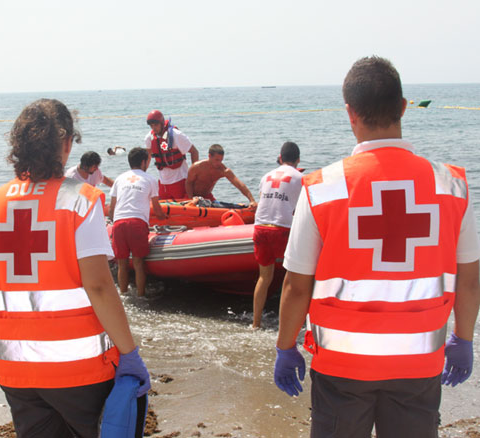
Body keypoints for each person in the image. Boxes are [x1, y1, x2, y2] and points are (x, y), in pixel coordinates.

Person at [274, 56, 480, 438]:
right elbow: (469, 279)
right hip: (418, 365)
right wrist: (463, 338)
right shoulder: (451, 186)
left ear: (350, 113)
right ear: (403, 107)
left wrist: (286, 347)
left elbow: (296, 286)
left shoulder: (322, 188)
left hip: (341, 368)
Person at [0, 99, 151, 438]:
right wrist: (129, 352)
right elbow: (99, 287)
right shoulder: (80, 200)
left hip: (15, 371)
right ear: (66, 144)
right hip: (79, 373)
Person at [251, 141, 302, 329]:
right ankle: (289, 323)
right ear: (298, 160)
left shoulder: (266, 176)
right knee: (294, 276)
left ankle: (255, 324)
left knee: (264, 277)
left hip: (260, 228)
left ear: (280, 158)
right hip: (282, 230)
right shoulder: (300, 177)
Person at [109, 147, 167, 297]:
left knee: (122, 263)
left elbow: (112, 207)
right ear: (143, 162)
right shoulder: (150, 179)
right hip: (136, 223)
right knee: (138, 263)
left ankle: (123, 294)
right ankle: (141, 296)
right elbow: (157, 207)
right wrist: (164, 217)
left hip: (119, 222)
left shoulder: (120, 178)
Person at [144, 109, 199, 199]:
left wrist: (194, 176)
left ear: (162, 123)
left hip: (180, 180)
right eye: (151, 126)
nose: (154, 128)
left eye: (156, 125)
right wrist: (142, 174)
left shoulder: (176, 135)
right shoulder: (149, 138)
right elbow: (147, 157)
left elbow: (194, 152)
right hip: (163, 183)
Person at [185, 143, 257, 207]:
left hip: (207, 197)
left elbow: (239, 184)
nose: (219, 163)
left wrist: (252, 200)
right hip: (191, 196)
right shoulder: (197, 167)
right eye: (217, 160)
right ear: (209, 156)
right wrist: (191, 199)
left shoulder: (223, 170)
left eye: (221, 160)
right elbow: (188, 183)